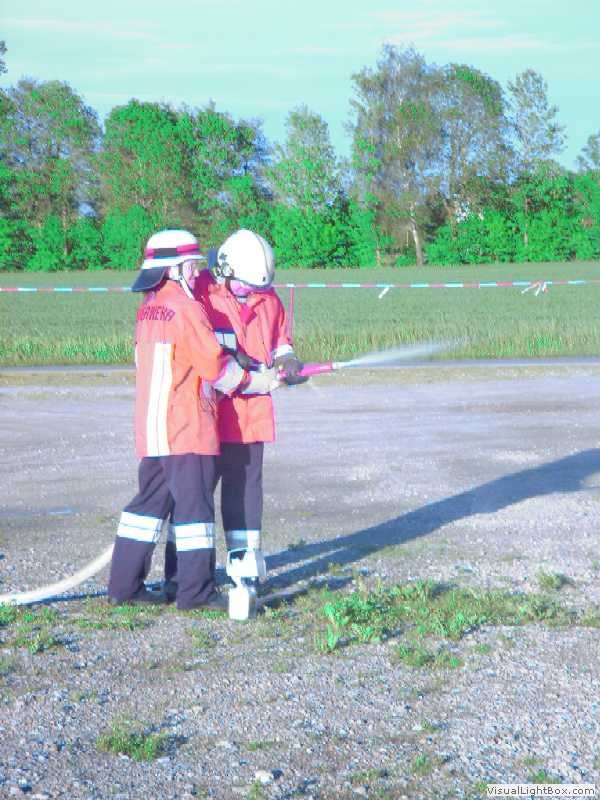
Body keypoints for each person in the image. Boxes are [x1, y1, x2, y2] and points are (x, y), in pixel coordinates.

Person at [107, 229, 280, 610]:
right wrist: (258, 381)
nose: (194, 272)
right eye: (189, 266)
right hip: (187, 426)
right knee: (195, 512)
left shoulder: (149, 308)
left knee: (148, 506)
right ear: (173, 270)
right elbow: (215, 369)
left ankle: (124, 587)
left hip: (153, 430)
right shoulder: (187, 310)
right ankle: (195, 593)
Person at [163, 229, 306, 597]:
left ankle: (245, 570)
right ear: (224, 269)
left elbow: (280, 341)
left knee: (245, 496)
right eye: (244, 285)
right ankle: (181, 576)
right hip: (205, 414)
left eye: (257, 287)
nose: (250, 292)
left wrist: (288, 360)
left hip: (250, 417)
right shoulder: (199, 293)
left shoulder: (268, 298)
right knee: (194, 497)